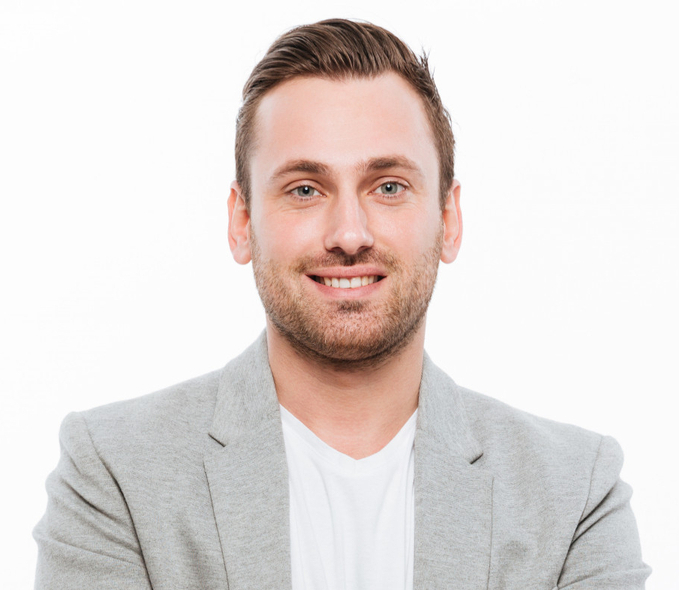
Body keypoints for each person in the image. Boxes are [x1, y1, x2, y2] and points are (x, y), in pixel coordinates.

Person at [33, 18, 650, 590]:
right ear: (242, 223)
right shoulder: (113, 473)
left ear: (449, 219)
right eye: (305, 189)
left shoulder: (576, 491)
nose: (350, 234)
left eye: (389, 186)